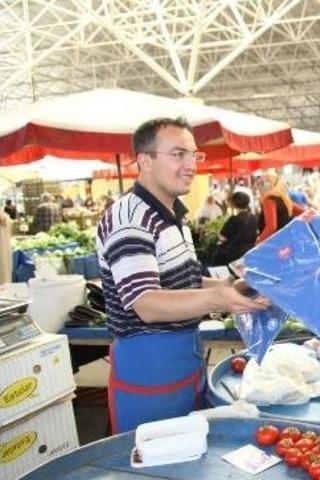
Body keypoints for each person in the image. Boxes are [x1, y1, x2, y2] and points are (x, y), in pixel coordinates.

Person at [96, 117, 268, 433]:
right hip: (148, 368)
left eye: (194, 155)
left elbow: (183, 282)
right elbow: (146, 304)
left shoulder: (173, 214)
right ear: (144, 161)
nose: (191, 164)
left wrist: (234, 287)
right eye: (178, 154)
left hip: (186, 358)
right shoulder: (129, 219)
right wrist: (216, 298)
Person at [213, 192, 258, 266]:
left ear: (234, 204)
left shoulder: (234, 219)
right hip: (249, 253)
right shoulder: (254, 218)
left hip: (233, 255)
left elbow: (222, 238)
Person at [257, 172, 302, 244]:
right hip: (286, 239)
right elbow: (304, 212)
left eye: (262, 183)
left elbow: (271, 227)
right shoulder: (284, 199)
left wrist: (258, 243)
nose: (259, 187)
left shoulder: (268, 200)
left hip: (274, 243)